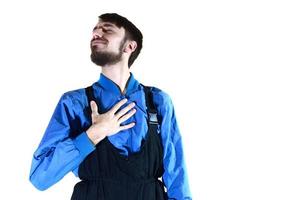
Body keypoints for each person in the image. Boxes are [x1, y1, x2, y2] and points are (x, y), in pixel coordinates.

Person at [29, 13, 192, 199]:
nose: (97, 33)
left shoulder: (158, 102)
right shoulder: (75, 104)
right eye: (95, 31)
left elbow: (177, 175)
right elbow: (40, 177)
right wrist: (94, 133)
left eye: (107, 29)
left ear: (130, 46)